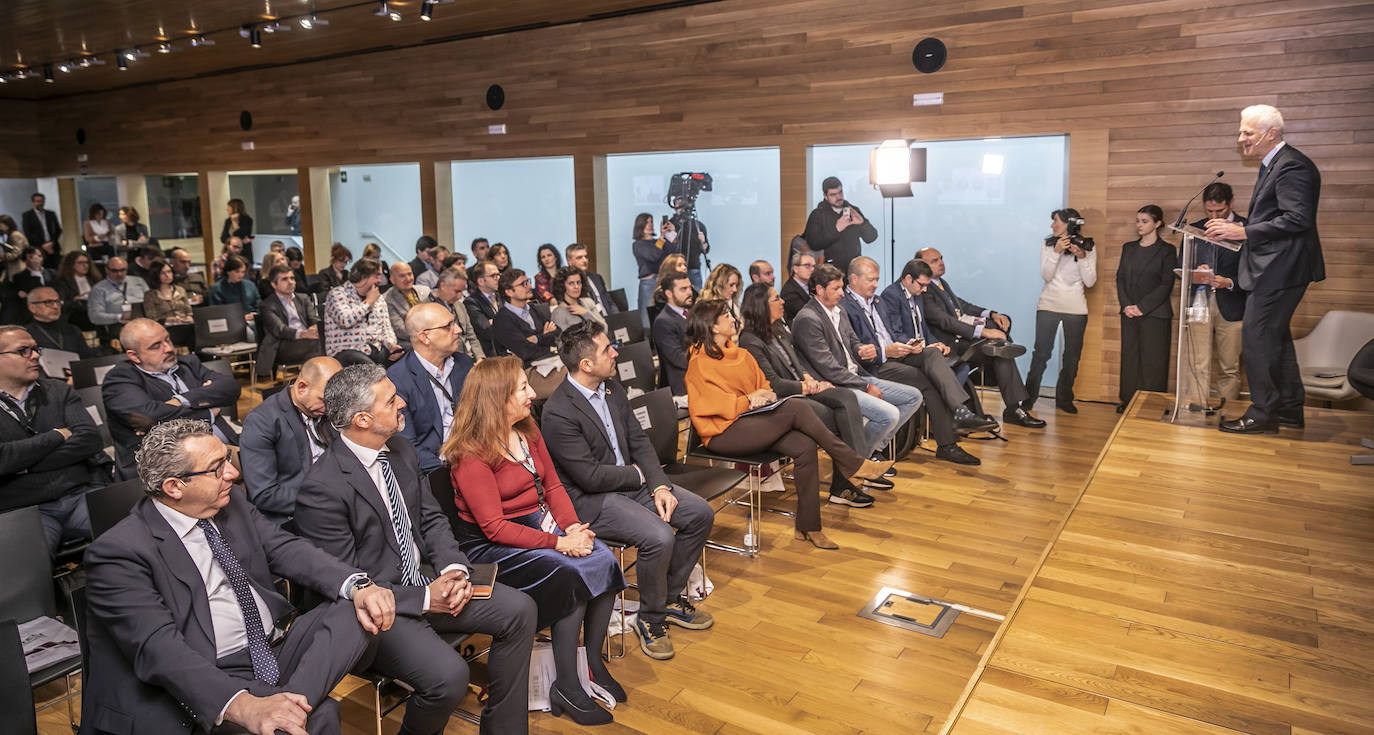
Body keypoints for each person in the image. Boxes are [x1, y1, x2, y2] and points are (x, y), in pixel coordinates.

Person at [81, 419, 392, 735]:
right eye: (216, 468)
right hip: (208, 670)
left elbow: (287, 548)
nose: (233, 473)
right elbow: (158, 648)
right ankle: (289, 709)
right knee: (320, 714)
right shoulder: (118, 552)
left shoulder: (231, 504)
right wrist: (243, 705)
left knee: (357, 606)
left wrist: (357, 584)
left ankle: (288, 704)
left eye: (227, 458)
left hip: (269, 649)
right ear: (174, 487)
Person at [294, 364, 537, 735]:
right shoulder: (322, 489)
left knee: (520, 610)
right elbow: (348, 584)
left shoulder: (401, 451)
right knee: (449, 677)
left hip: (425, 581)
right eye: (391, 401)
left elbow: (432, 520)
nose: (403, 402)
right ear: (361, 419)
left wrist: (453, 569)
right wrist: (426, 598)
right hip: (377, 610)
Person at [443, 357, 627, 726]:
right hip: (490, 545)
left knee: (603, 558)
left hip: (537, 525)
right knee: (568, 575)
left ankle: (590, 663)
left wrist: (574, 527)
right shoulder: (470, 453)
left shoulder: (526, 428)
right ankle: (566, 684)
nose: (532, 393)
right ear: (497, 398)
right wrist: (560, 544)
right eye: (522, 388)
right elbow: (494, 528)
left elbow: (554, 486)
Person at [543, 320, 716, 660]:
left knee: (699, 513)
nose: (615, 352)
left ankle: (666, 597)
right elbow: (589, 478)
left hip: (631, 484)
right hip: (591, 500)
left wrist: (659, 485)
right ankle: (650, 618)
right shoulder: (557, 411)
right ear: (586, 364)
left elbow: (638, 439)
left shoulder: (611, 387)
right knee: (659, 537)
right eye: (607, 349)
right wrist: (640, 478)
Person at [686, 298, 891, 549]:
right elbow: (713, 405)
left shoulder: (741, 354)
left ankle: (809, 527)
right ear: (713, 327)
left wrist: (759, 398)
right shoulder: (699, 361)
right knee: (795, 406)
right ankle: (852, 463)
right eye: (726, 315)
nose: (732, 318)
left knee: (804, 445)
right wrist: (749, 401)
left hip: (751, 421)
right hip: (723, 432)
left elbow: (764, 386)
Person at [1207, 105, 1325, 433]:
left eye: (1247, 132)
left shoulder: (1291, 166)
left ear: (1271, 133)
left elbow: (1297, 218)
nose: (1240, 137)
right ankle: (1288, 409)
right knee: (1275, 337)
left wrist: (1242, 231)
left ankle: (1262, 414)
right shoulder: (1275, 165)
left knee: (1256, 335)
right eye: (1240, 131)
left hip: (1281, 269)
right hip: (1278, 268)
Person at [843, 257, 985, 465]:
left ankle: (959, 413)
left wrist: (913, 345)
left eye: (877, 280)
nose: (876, 285)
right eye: (871, 280)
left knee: (933, 354)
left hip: (895, 354)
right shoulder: (846, 306)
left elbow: (893, 332)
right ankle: (949, 440)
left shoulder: (877, 301)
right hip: (875, 364)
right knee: (928, 380)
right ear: (854, 279)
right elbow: (857, 350)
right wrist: (888, 350)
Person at [738, 283, 873, 498]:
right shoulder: (749, 340)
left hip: (803, 387)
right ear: (759, 306)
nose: (782, 302)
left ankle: (851, 474)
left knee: (847, 396)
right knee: (836, 419)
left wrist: (809, 379)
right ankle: (847, 481)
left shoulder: (778, 329)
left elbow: (797, 364)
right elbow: (772, 383)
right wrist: (806, 386)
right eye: (775, 299)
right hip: (784, 398)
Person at [790, 263, 923, 473]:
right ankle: (857, 465)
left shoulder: (839, 310)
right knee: (889, 415)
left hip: (856, 376)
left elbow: (852, 341)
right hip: (836, 385)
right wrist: (866, 387)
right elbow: (828, 368)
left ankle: (865, 455)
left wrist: (862, 349)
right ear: (819, 290)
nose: (842, 293)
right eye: (836, 288)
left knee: (913, 397)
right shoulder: (808, 318)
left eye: (842, 287)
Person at [0, 325, 110, 556]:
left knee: (144, 534)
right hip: (21, 510)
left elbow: (89, 440)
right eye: (23, 351)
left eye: (35, 349)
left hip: (79, 495)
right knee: (26, 574)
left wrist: (23, 466)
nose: (36, 356)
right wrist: (57, 435)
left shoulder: (58, 391)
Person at [917, 247, 1045, 428]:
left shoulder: (941, 283)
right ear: (921, 266)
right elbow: (945, 321)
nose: (941, 263)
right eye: (934, 261)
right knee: (996, 344)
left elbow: (962, 306)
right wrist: (984, 332)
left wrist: (991, 314)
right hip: (949, 346)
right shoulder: (924, 289)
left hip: (962, 339)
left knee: (999, 350)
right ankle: (1011, 405)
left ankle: (1013, 408)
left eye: (941, 258)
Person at [102, 319, 242, 478]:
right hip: (168, 469)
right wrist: (208, 413)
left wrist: (181, 400)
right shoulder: (119, 379)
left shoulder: (188, 363)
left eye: (167, 339)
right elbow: (148, 417)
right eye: (156, 346)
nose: (168, 348)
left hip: (224, 449)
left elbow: (231, 388)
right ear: (134, 356)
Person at [240, 356, 341, 523]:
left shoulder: (323, 410)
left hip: (334, 496)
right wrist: (327, 500)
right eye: (324, 400)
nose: (331, 408)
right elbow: (264, 493)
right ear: (302, 387)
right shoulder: (262, 421)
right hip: (294, 514)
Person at [1024, 209, 1098, 414]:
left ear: (1068, 224)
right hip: (1048, 305)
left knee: (1072, 357)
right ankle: (1027, 400)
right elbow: (1046, 276)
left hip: (1076, 308)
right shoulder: (1048, 245)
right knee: (1041, 354)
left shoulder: (1087, 247)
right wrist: (1056, 252)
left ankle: (1064, 399)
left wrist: (1082, 256)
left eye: (1055, 221)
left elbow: (1090, 282)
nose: (1052, 225)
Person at [1182, 183, 1248, 408]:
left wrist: (1229, 282)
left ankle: (1227, 413)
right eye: (1209, 211)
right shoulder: (1194, 229)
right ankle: (1195, 408)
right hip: (1199, 302)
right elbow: (1180, 266)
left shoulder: (1246, 229)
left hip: (1232, 304)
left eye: (1219, 211)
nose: (1213, 216)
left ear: (1231, 204)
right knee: (1196, 362)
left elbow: (1256, 272)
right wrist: (1194, 272)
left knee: (1229, 367)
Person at [388, 303, 475, 473]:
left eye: (454, 323)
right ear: (425, 337)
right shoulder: (398, 379)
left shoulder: (463, 363)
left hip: (476, 456)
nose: (457, 330)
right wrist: (445, 474)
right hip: (436, 468)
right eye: (448, 326)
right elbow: (408, 446)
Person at [1115, 205, 1177, 413]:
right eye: (1137, 221)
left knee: (1153, 360)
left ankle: (1152, 403)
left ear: (1157, 224)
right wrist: (1127, 306)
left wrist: (1142, 307)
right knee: (1130, 357)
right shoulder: (1128, 248)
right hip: (1129, 312)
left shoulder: (1167, 250)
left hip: (1155, 314)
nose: (1139, 225)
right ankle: (1128, 401)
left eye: (1144, 221)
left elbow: (1166, 284)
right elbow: (1120, 278)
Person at [324, 258, 403, 366]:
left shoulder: (378, 298)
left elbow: (386, 327)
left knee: (409, 354)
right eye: (377, 275)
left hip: (375, 349)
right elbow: (345, 320)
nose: (380, 280)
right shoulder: (337, 294)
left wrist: (391, 345)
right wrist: (368, 302)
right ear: (364, 276)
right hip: (347, 352)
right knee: (366, 365)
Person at [258, 265, 324, 379]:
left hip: (307, 339)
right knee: (318, 344)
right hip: (283, 345)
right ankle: (317, 382)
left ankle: (319, 381)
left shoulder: (303, 298)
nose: (290, 282)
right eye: (284, 279)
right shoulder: (267, 305)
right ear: (274, 285)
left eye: (292, 278)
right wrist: (303, 334)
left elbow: (313, 318)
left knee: (329, 339)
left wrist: (314, 328)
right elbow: (279, 330)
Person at [803, 177, 877, 275]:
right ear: (825, 196)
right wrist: (836, 229)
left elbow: (871, 238)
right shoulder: (818, 215)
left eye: (840, 192)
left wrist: (863, 223)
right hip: (829, 272)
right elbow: (813, 243)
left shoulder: (853, 210)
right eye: (833, 194)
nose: (838, 197)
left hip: (854, 270)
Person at [491, 268, 561, 367]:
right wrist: (546, 339)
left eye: (528, 281)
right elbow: (525, 351)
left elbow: (558, 332)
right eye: (523, 284)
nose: (529, 286)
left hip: (549, 363)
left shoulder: (535, 309)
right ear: (509, 292)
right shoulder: (501, 320)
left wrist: (536, 339)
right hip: (523, 372)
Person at [429, 266, 485, 362]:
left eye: (462, 291)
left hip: (470, 359)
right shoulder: (427, 309)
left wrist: (480, 357)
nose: (459, 296)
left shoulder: (459, 305)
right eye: (457, 291)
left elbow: (471, 335)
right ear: (442, 286)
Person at [651, 272, 694, 397]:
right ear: (669, 294)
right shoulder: (663, 322)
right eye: (683, 289)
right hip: (684, 386)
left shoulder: (692, 312)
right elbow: (679, 360)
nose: (689, 292)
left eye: (689, 287)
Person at [24, 287, 96, 359]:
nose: (55, 306)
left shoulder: (73, 330)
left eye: (57, 301)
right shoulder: (26, 335)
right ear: (32, 308)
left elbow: (87, 360)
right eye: (48, 302)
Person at [632, 213, 676, 324]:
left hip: (663, 281)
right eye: (647, 222)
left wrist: (671, 234)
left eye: (651, 222)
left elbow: (672, 253)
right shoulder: (638, 244)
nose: (650, 225)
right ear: (640, 225)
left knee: (665, 315)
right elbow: (653, 256)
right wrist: (661, 238)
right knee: (646, 318)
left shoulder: (658, 241)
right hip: (648, 283)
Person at [86, 256, 150, 329]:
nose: (119, 274)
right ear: (107, 270)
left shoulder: (138, 281)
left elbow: (152, 302)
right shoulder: (98, 289)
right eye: (114, 271)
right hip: (118, 326)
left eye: (122, 270)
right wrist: (120, 317)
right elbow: (95, 317)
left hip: (144, 322)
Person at [384, 261, 429, 350]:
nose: (408, 279)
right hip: (408, 342)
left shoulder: (425, 291)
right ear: (392, 280)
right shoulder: (387, 299)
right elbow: (401, 330)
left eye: (410, 274)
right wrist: (425, 336)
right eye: (402, 276)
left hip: (430, 335)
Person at [209, 255, 262, 329]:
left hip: (253, 321)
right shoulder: (217, 288)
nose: (240, 275)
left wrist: (255, 314)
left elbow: (259, 304)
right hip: (231, 324)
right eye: (237, 272)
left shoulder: (250, 285)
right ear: (228, 271)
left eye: (243, 272)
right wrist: (241, 317)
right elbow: (217, 313)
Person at [464, 261, 505, 357]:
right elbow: (487, 330)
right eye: (494, 276)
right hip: (490, 355)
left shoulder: (504, 296)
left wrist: (493, 321)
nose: (498, 278)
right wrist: (505, 321)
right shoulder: (471, 302)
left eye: (499, 275)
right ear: (481, 281)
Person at [565, 243, 618, 315]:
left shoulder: (596, 277)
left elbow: (610, 303)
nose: (585, 260)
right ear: (569, 261)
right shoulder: (567, 282)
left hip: (608, 319)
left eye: (586, 257)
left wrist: (617, 319)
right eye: (579, 257)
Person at [667, 199, 709, 290]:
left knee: (696, 298)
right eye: (679, 204)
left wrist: (703, 242)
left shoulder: (698, 225)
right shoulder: (670, 224)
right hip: (675, 269)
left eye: (683, 203)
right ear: (674, 206)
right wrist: (674, 232)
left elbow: (706, 249)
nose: (682, 207)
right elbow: (667, 247)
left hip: (694, 268)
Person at [549, 266, 606, 331]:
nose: (576, 286)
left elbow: (605, 330)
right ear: (562, 286)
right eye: (571, 283)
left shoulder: (589, 302)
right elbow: (564, 340)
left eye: (578, 282)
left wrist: (586, 313)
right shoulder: (558, 313)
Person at [141, 260, 195, 327]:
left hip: (185, 326)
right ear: (156, 275)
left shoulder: (180, 290)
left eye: (169, 272)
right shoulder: (150, 295)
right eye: (162, 273)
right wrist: (167, 320)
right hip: (164, 328)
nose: (167, 275)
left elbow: (189, 311)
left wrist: (189, 318)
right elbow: (151, 319)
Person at [22, 192, 63, 268]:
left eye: (42, 201)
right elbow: (28, 233)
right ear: (33, 202)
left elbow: (58, 230)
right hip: (38, 247)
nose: (40, 203)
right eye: (38, 201)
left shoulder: (50, 214)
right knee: (42, 268)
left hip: (53, 246)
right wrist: (43, 245)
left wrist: (52, 242)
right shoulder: (27, 215)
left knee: (56, 268)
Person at [781, 249, 816, 323]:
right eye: (807, 265)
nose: (812, 269)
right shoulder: (789, 291)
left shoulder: (813, 284)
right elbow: (806, 313)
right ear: (795, 269)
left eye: (813, 266)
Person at [220, 198, 255, 262]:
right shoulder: (228, 221)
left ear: (235, 208)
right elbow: (223, 238)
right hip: (230, 253)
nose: (227, 209)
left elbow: (242, 235)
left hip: (243, 253)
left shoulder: (247, 220)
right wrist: (231, 242)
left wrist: (235, 223)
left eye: (229, 207)